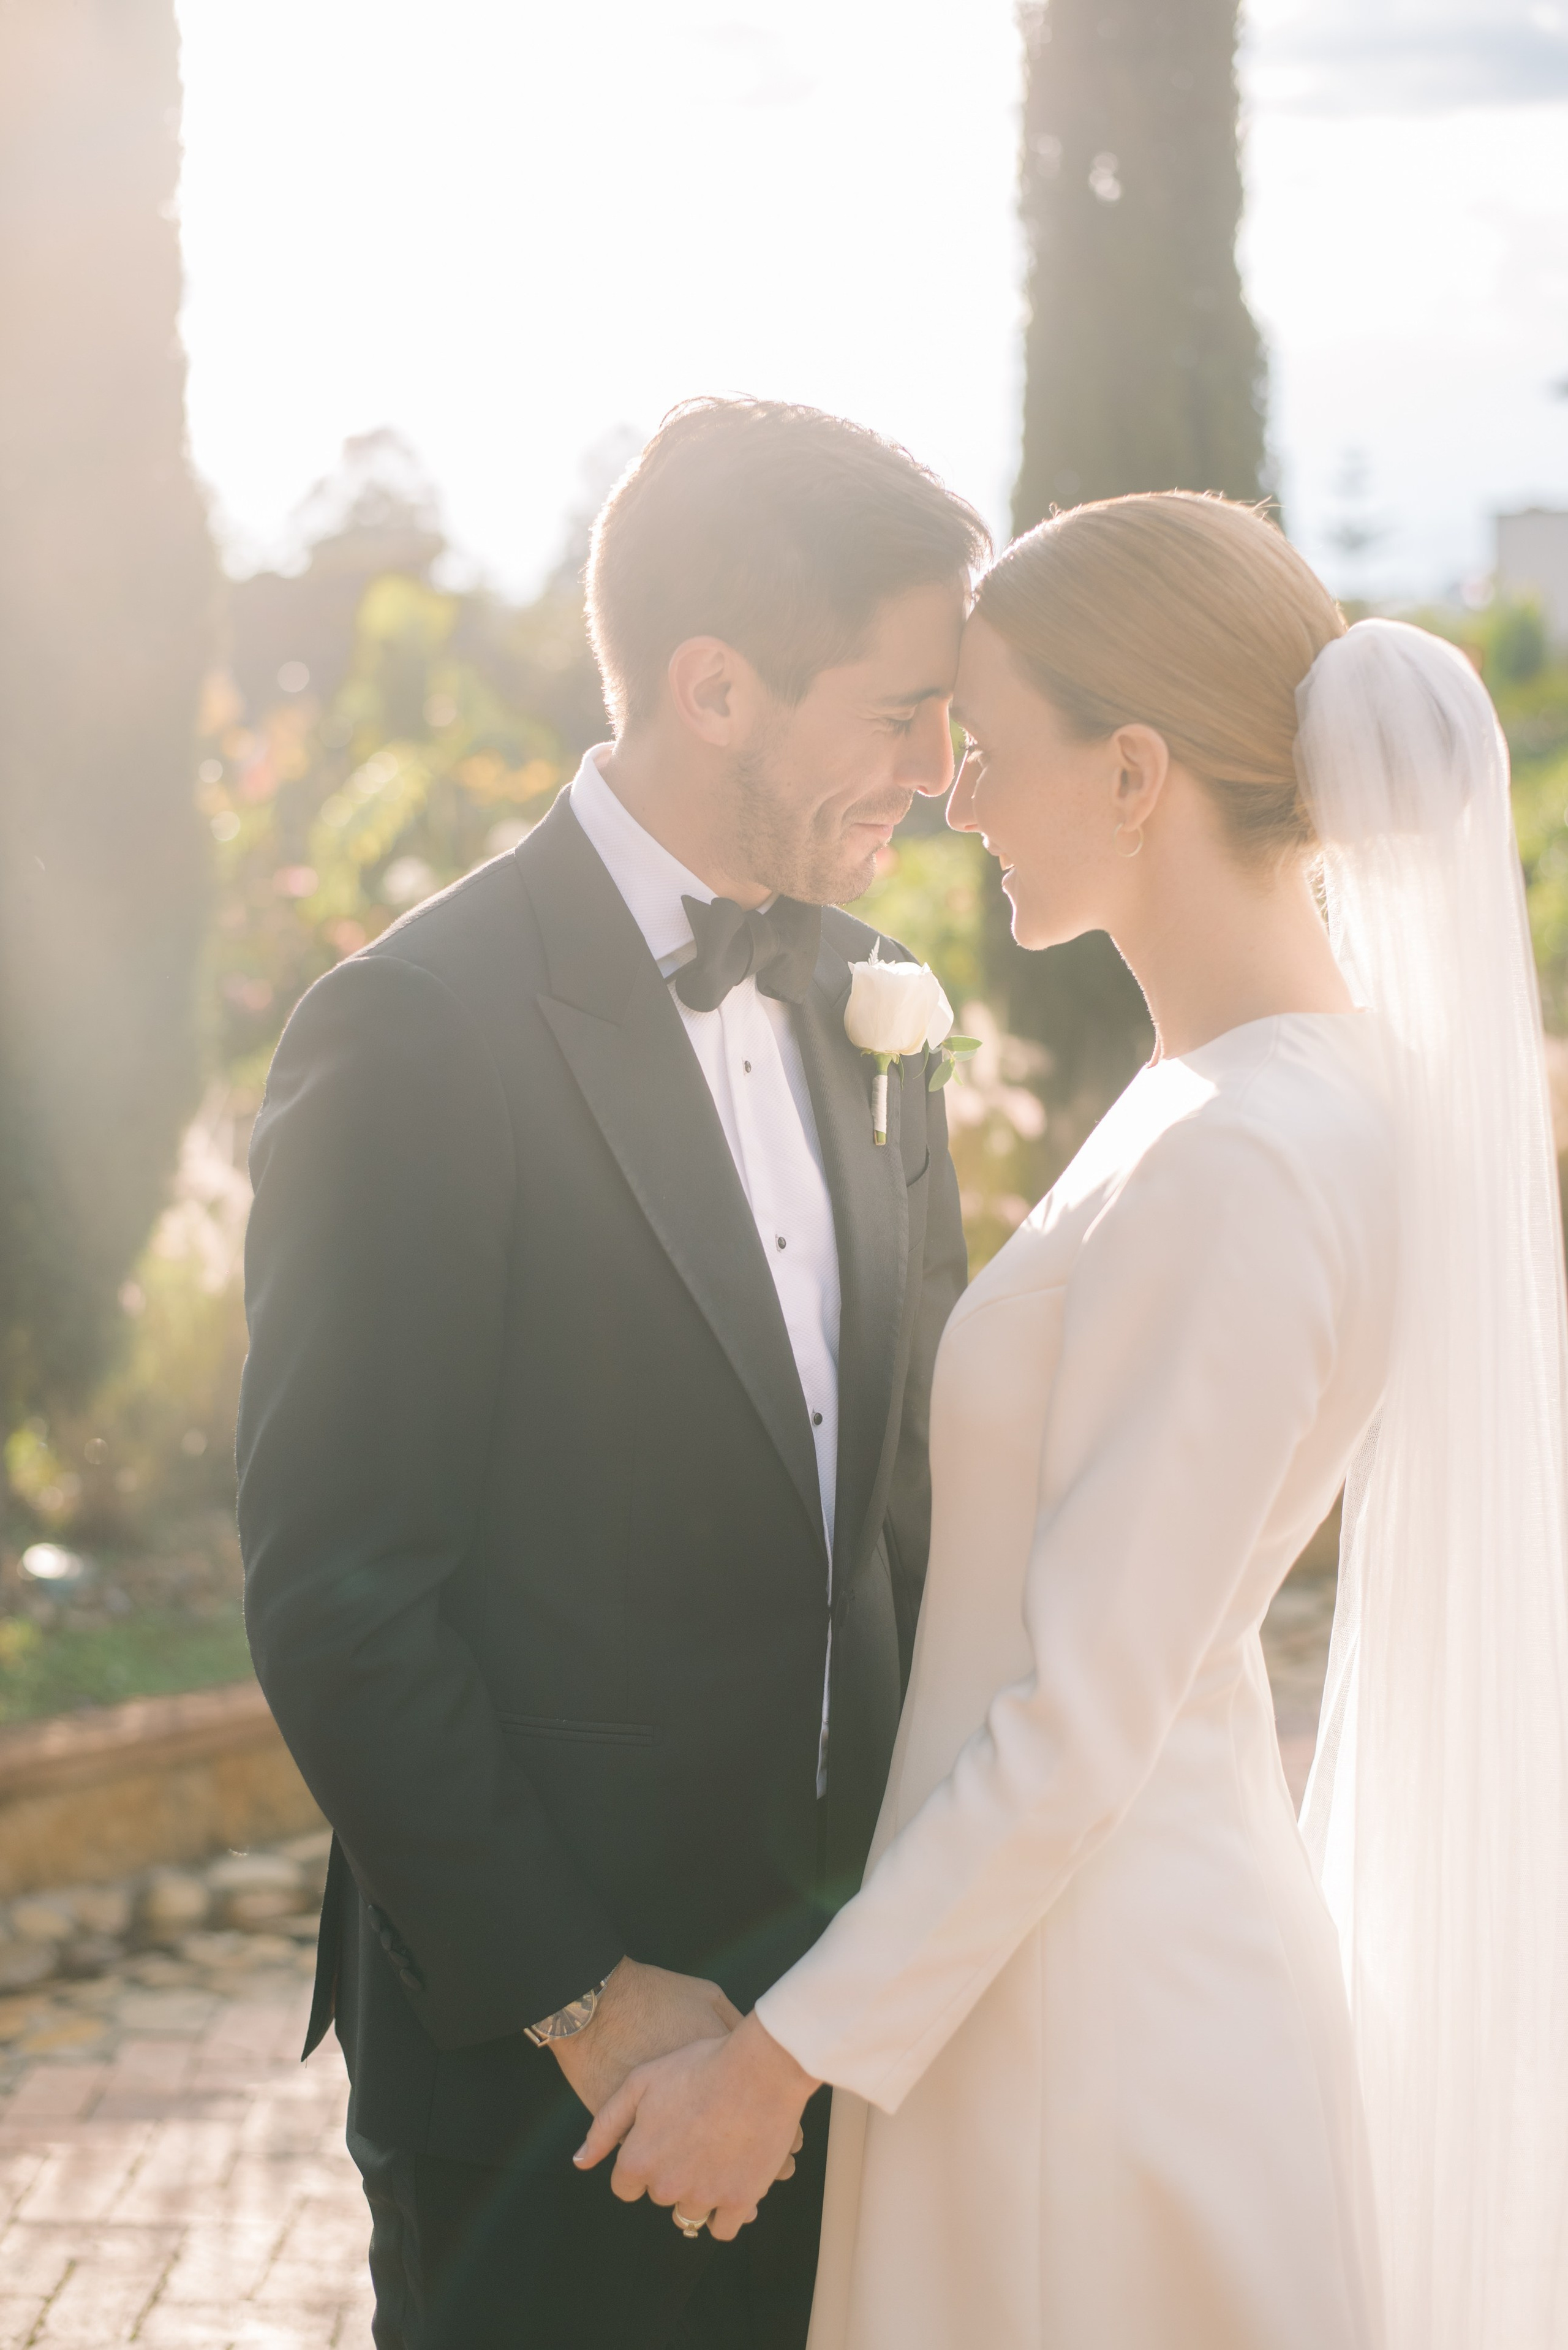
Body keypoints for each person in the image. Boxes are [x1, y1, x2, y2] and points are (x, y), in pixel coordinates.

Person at [578, 493, 1568, 2350]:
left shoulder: (1252, 1155)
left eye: (990, 745)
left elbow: (1081, 1715)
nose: (954, 796)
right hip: (1060, 1988)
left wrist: (772, 2067)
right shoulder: (1248, 1097)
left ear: (1134, 772)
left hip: (1092, 2043)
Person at [236, 398, 982, 2349]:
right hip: (549, 2095)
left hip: (833, 2058)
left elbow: (904, 1513)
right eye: (901, 710)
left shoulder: (877, 1005)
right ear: (717, 688)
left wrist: (854, 2004)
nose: (942, 766)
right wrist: (597, 1999)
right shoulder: (414, 1030)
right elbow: (340, 1588)